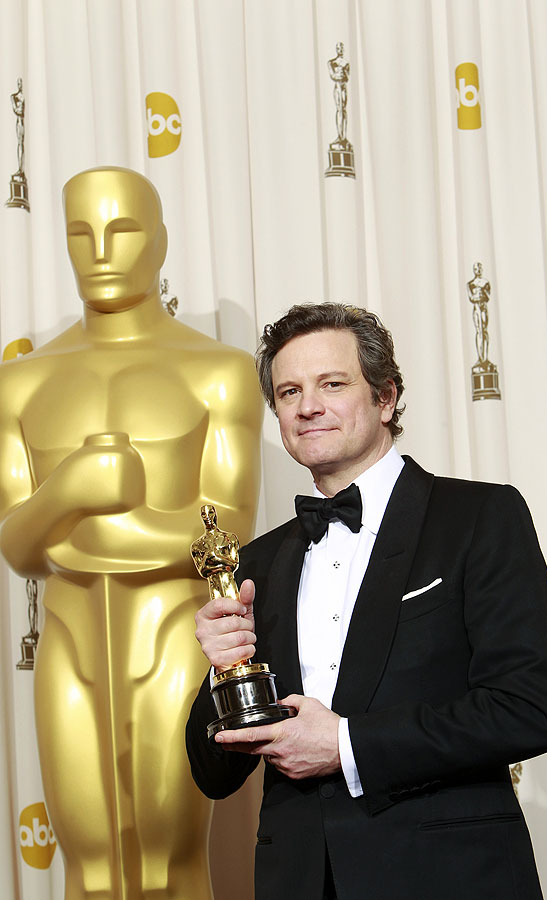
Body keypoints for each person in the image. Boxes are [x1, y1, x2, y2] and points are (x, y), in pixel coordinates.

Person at [186, 302, 547, 900]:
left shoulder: (479, 517)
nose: (307, 405)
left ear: (385, 398)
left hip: (449, 876)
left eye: (331, 384)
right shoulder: (255, 562)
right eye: (288, 392)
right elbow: (213, 774)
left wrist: (343, 746)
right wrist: (222, 673)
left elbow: (527, 709)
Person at [0, 166, 262, 899]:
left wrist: (85, 533)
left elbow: (230, 528)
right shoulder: (20, 381)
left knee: (170, 862)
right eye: (81, 233)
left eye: (122, 230)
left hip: (176, 638)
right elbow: (19, 545)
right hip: (70, 644)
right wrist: (72, 491)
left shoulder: (218, 372)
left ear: (162, 241)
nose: (101, 251)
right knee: (86, 867)